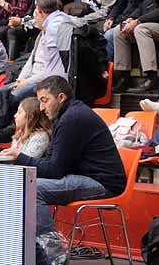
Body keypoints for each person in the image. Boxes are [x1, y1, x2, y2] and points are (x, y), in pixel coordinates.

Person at [16, 76, 126, 252]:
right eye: (39, 101)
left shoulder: (72, 119)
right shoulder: (66, 115)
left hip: (103, 182)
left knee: (32, 189)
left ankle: (53, 253)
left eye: (45, 101)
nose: (41, 107)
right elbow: (52, 162)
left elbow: (55, 170)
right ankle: (27, 250)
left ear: (61, 97)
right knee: (25, 185)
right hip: (86, 175)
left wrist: (18, 159)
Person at [5, 0, 69, 100]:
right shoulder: (42, 33)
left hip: (44, 83)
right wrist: (20, 80)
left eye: (35, 15)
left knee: (8, 99)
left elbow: (50, 72)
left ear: (40, 12)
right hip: (28, 80)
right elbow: (31, 60)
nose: (34, 20)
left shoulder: (55, 33)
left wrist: (27, 82)